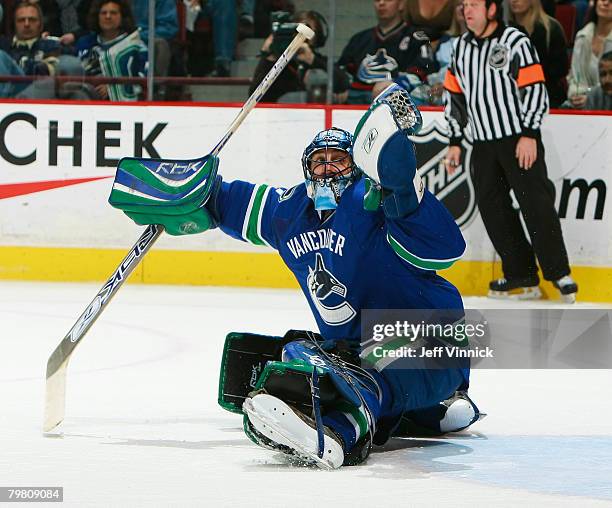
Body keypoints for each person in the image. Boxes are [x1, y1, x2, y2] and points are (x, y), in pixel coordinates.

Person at [111, 85, 483, 468]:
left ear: (356, 166)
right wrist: (197, 194)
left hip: (431, 342)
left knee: (376, 370)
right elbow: (235, 203)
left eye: (337, 160)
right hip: (360, 349)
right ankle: (432, 410)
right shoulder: (291, 213)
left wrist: (404, 192)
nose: (326, 168)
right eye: (317, 161)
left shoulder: (373, 202)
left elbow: (446, 247)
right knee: (300, 355)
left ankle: (337, 431)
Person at [443, 0, 578, 301]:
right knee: (495, 211)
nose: (467, 10)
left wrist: (529, 133)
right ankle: (521, 274)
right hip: (482, 143)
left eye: (474, 5)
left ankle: (559, 274)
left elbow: (534, 87)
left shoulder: (514, 40)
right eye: (464, 5)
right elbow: (455, 96)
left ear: (492, 9)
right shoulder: (460, 47)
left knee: (536, 204)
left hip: (517, 138)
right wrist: (454, 141)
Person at [337, 0, 435, 104]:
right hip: (359, 101)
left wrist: (393, 86)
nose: (381, 3)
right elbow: (343, 71)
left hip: (399, 101)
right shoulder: (359, 39)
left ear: (401, 4)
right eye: (377, 0)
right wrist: (341, 88)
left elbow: (422, 72)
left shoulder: (418, 38)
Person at [249, 10, 350, 103]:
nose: (302, 37)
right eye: (298, 32)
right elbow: (254, 96)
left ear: (317, 37)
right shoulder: (278, 64)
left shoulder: (319, 61)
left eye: (308, 32)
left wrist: (313, 60)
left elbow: (344, 83)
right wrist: (268, 59)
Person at [75, 0, 147, 101]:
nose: (108, 16)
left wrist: (113, 89)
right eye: (103, 13)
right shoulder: (84, 43)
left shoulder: (135, 45)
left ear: (122, 17)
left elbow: (143, 78)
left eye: (113, 13)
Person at [509, 0, 569, 107]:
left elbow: (561, 69)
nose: (514, 0)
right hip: (513, 99)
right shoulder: (505, 33)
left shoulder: (551, 29)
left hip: (549, 98)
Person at [566, 0, 612, 109]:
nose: (605, 3)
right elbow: (575, 77)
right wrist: (576, 94)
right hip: (580, 102)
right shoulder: (582, 36)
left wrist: (591, 97)